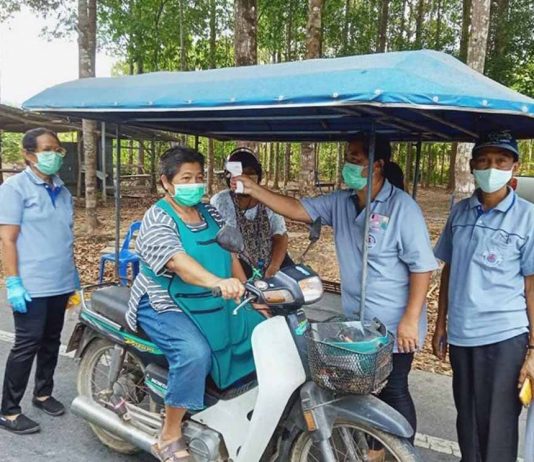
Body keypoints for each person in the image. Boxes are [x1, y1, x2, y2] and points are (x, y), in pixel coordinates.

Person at [232, 134, 437, 460]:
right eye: (348, 156)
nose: (348, 163)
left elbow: (422, 267)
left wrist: (411, 319)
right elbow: (297, 209)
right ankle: (372, 447)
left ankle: (393, 453)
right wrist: (254, 189)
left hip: (396, 323)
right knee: (365, 389)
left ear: (377, 165)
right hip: (358, 321)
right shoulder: (342, 202)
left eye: (356, 158)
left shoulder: (402, 208)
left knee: (394, 389)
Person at [126, 146, 264, 462]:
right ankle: (169, 434)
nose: (195, 184)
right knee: (193, 353)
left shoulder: (209, 212)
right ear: (166, 182)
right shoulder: (158, 218)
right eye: (186, 178)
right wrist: (217, 282)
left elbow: (230, 254)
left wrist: (250, 293)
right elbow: (177, 262)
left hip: (211, 297)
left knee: (262, 330)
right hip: (163, 302)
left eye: (199, 177)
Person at [432, 131, 534, 462]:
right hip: (462, 335)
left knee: (498, 426)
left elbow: (532, 287)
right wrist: (440, 324)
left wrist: (533, 350)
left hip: (504, 336)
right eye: (484, 161)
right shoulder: (460, 212)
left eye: (501, 161)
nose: (492, 168)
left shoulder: (528, 218)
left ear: (515, 167)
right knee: (468, 420)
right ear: (472, 165)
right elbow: (449, 269)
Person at [0, 128, 78, 434]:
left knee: (51, 341)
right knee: (27, 344)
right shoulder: (14, 188)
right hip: (31, 283)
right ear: (28, 154)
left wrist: (73, 278)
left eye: (57, 149)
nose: (54, 155)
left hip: (59, 280)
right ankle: (9, 410)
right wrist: (13, 282)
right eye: (46, 149)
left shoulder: (62, 189)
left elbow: (65, 235)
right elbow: (8, 239)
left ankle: (43, 393)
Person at [210, 148, 291, 279]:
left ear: (258, 176)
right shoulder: (221, 201)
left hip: (269, 260)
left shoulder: (268, 199)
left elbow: (280, 236)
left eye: (250, 174)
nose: (244, 178)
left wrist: (273, 267)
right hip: (239, 263)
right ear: (229, 177)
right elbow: (225, 245)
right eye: (239, 174)